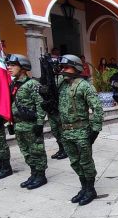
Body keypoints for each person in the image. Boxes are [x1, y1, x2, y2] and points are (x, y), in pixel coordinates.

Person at [57, 54, 104, 206]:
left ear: (76, 68)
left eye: (67, 67)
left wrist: (95, 130)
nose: (63, 70)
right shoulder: (62, 85)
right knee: (75, 162)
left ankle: (90, 189)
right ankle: (84, 186)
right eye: (62, 67)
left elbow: (97, 108)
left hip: (81, 131)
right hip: (66, 131)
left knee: (85, 162)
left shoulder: (84, 85)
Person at [6, 54, 48, 189]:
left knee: (37, 151)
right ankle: (33, 173)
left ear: (23, 68)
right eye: (9, 65)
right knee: (25, 151)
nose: (9, 68)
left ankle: (41, 175)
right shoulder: (13, 84)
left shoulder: (33, 84)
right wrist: (10, 123)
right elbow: (11, 105)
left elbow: (40, 105)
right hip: (18, 125)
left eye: (13, 65)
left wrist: (40, 124)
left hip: (31, 125)